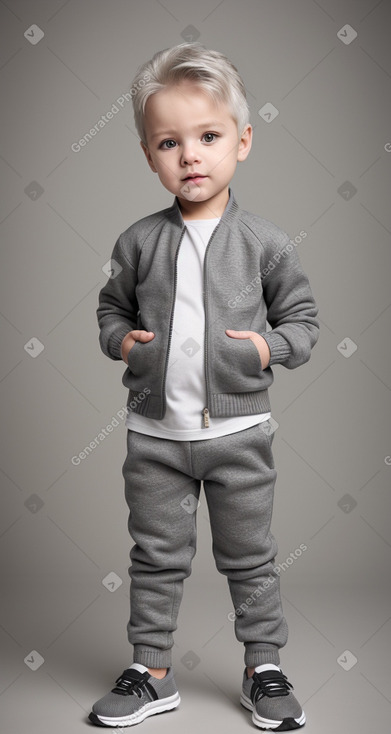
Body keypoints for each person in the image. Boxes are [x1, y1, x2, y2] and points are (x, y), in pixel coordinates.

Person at [89, 41, 319, 730]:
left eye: (208, 136)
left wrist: (269, 346)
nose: (190, 155)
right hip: (153, 436)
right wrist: (119, 340)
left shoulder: (266, 242)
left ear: (241, 142)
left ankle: (264, 665)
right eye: (169, 142)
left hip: (238, 434)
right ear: (148, 154)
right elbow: (109, 309)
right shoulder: (136, 243)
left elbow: (304, 322)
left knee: (250, 557)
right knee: (155, 557)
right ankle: (150, 671)